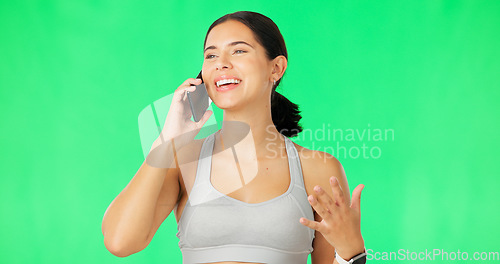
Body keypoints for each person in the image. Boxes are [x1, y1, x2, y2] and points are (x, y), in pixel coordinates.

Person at [102, 11, 366, 264]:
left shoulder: (318, 168)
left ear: (276, 68)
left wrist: (351, 252)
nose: (221, 63)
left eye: (238, 50)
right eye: (211, 55)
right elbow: (120, 242)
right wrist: (165, 143)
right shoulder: (184, 162)